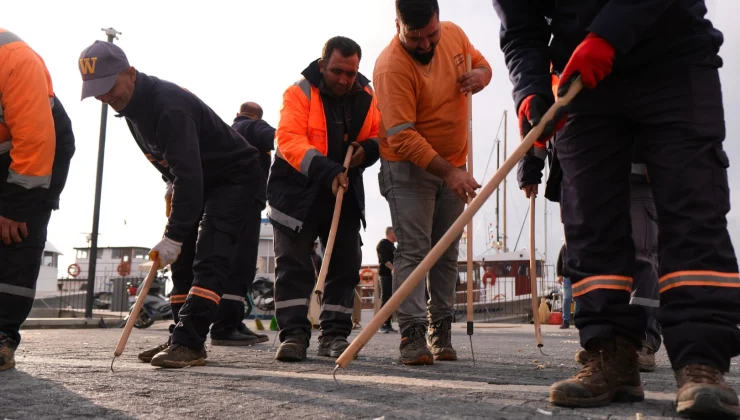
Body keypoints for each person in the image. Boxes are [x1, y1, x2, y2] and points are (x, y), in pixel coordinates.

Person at [493, 1, 740, 416]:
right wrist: (530, 90)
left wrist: (609, 33)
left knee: (693, 208)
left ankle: (701, 362)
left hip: (673, 57)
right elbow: (520, 31)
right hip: (581, 76)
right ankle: (609, 353)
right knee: (590, 217)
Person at [79, 40, 265, 368]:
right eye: (98, 92)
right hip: (199, 178)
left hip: (235, 178)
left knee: (210, 254)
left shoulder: (168, 106)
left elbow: (190, 177)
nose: (106, 98)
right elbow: (173, 166)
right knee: (181, 261)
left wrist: (174, 234)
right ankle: (180, 335)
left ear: (130, 74)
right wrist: (169, 184)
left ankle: (190, 343)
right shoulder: (132, 108)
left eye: (109, 87)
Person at [374, 0, 491, 365]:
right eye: (415, 38)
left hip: (454, 161)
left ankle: (440, 329)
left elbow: (482, 63)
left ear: (440, 22)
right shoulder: (391, 66)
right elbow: (402, 137)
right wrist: (450, 172)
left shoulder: (454, 34)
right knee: (414, 249)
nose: (425, 45)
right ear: (398, 25)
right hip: (407, 168)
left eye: (431, 35)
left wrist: (483, 76)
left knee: (446, 251)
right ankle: (411, 333)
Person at [268, 36, 380, 362]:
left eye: (351, 72)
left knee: (345, 266)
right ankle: (293, 336)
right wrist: (327, 170)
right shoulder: (298, 93)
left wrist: (366, 152)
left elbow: (377, 135)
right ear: (323, 65)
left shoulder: (366, 95)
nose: (345, 79)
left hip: (342, 192)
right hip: (296, 194)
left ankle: (334, 336)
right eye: (337, 71)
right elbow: (288, 140)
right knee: (293, 266)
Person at [0, 29, 75, 371]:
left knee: (15, 235)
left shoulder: (14, 59)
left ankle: (2, 336)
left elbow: (34, 139)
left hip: (39, 150)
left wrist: (16, 208)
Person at [202, 101, 278, 347]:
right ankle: (225, 327)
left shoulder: (224, 131)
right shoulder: (254, 127)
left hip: (218, 203)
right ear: (257, 116)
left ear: (237, 114)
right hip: (245, 202)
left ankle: (232, 322)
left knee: (224, 263)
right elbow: (278, 138)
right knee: (242, 265)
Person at [376, 227, 398, 333]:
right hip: (385, 276)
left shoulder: (393, 247)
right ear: (390, 233)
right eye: (396, 232)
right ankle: (382, 324)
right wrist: (393, 269)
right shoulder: (382, 244)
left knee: (391, 300)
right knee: (386, 299)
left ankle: (388, 324)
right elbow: (384, 259)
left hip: (393, 276)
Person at [555, 245, 575, 329]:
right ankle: (566, 321)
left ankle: (577, 320)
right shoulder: (563, 248)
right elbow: (559, 261)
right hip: (567, 277)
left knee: (578, 299)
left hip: (578, 276)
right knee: (567, 299)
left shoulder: (578, 245)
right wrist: (559, 275)